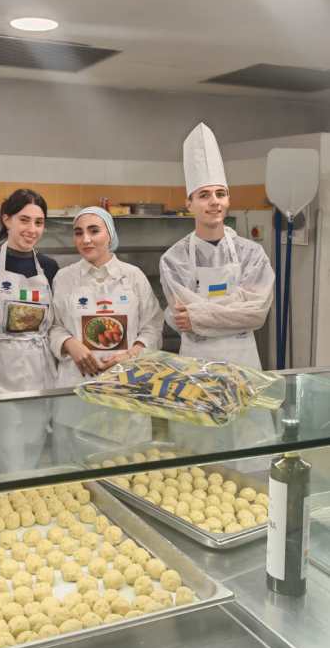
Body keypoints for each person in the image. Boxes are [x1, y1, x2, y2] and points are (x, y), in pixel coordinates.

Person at [160, 123, 276, 462]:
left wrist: (199, 314)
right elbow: (182, 315)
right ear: (190, 203)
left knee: (251, 452)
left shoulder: (252, 253)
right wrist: (234, 307)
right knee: (198, 455)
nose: (214, 202)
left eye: (220, 194)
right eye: (205, 195)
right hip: (196, 365)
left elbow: (257, 314)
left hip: (244, 362)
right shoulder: (174, 258)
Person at [50, 206, 163, 461]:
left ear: (109, 235)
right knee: (73, 476)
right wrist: (70, 344)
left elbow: (153, 323)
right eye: (78, 233)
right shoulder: (64, 278)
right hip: (77, 390)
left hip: (124, 389)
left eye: (94, 231)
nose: (85, 239)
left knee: (125, 469)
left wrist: (134, 351)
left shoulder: (133, 277)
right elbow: (53, 326)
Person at [0, 188, 59, 472]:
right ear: (6, 219)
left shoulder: (49, 267)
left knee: (34, 450)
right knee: (5, 457)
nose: (32, 229)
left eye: (39, 222)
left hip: (39, 371)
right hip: (1, 372)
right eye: (24, 220)